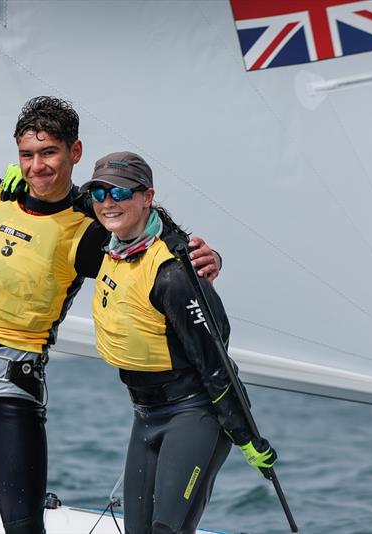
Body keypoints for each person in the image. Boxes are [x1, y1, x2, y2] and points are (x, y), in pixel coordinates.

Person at [0, 41, 222, 533]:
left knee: (24, 528)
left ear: (74, 153)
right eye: (26, 154)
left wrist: (203, 257)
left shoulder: (89, 229)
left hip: (12, 385)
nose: (36, 166)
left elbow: (150, 237)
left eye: (49, 153)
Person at [81, 151, 278, 534]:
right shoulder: (112, 239)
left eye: (119, 192)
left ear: (147, 196)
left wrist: (247, 437)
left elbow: (216, 363)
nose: (107, 202)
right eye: (99, 192)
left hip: (194, 415)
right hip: (146, 415)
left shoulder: (173, 274)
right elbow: (58, 193)